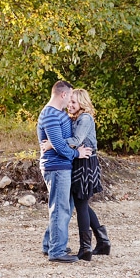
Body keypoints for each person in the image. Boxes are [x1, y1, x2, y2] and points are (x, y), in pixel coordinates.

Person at [42, 89, 111, 260]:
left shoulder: (85, 118)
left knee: (81, 203)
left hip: (85, 162)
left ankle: (86, 249)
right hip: (78, 161)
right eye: (70, 102)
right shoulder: (75, 118)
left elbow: (76, 141)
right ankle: (103, 241)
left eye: (74, 102)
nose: (70, 105)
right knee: (81, 203)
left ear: (82, 103)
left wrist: (53, 144)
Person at [38, 81, 92, 263]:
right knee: (60, 209)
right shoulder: (50, 114)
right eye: (70, 96)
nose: (70, 100)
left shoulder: (57, 114)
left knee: (63, 208)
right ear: (63, 94)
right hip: (57, 166)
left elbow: (59, 141)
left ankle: (50, 244)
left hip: (62, 166)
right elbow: (60, 146)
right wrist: (78, 153)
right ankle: (57, 251)